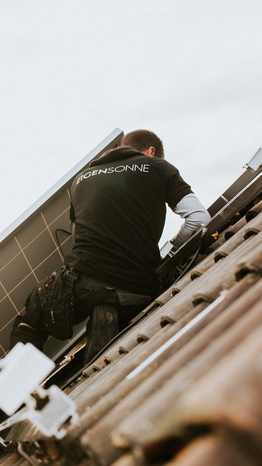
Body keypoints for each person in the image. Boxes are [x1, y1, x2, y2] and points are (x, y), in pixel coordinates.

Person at [12, 129, 211, 362]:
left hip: (81, 280)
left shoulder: (82, 179)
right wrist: (171, 251)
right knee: (101, 358)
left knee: (29, 322)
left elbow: (80, 235)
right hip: (134, 287)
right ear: (151, 152)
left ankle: (15, 394)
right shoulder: (158, 167)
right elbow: (199, 219)